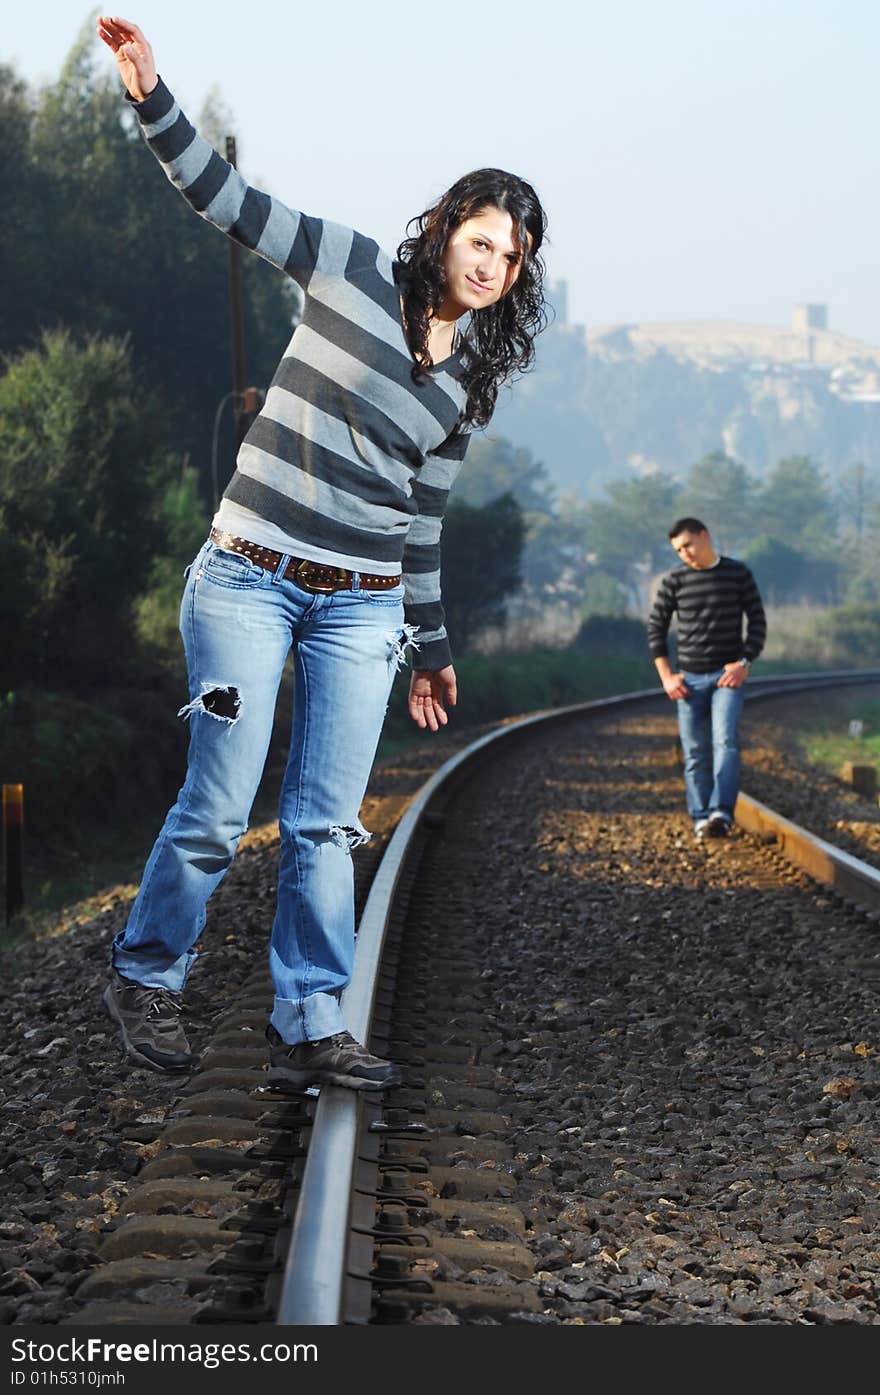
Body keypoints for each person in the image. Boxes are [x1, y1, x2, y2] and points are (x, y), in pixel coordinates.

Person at [96, 16, 548, 1087]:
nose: (491, 266)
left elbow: (420, 520)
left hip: (363, 609)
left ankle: (308, 1017)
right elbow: (227, 203)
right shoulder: (343, 265)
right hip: (246, 578)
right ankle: (147, 971)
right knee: (220, 800)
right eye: (481, 241)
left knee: (324, 827)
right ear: (445, 231)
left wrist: (431, 646)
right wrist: (154, 96)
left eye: (512, 256)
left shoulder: (466, 384)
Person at [647, 517, 766, 840]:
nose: (684, 553)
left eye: (687, 545)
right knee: (696, 752)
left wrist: (744, 663)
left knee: (725, 741)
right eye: (678, 550)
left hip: (726, 677)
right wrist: (667, 676)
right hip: (689, 680)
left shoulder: (737, 573)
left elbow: (757, 623)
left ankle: (721, 813)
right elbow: (656, 629)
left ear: (704, 536)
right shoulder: (675, 581)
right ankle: (700, 817)